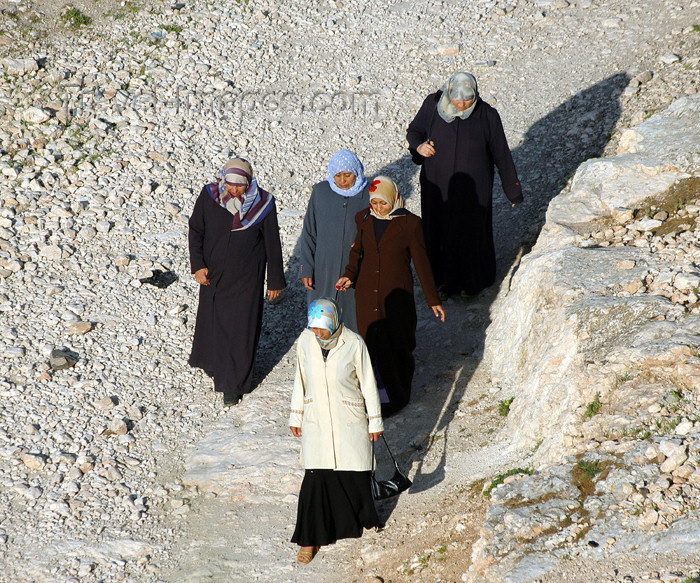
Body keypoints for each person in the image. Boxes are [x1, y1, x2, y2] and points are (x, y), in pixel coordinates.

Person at [406, 71, 523, 299]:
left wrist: (513, 191)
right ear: (449, 93)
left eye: (467, 99)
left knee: (471, 233)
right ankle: (439, 284)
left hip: (474, 191)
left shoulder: (487, 115)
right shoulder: (433, 105)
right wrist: (419, 147)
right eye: (457, 99)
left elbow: (501, 154)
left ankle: (472, 285)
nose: (461, 104)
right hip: (437, 187)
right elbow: (414, 131)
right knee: (437, 230)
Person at [336, 176, 446, 417]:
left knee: (397, 343)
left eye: (382, 203)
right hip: (366, 295)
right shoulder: (364, 219)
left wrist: (433, 299)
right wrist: (349, 275)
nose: (378, 208)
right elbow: (357, 253)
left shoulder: (410, 224)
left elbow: (421, 263)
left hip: (396, 296)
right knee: (370, 346)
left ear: (393, 199)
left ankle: (397, 397)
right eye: (374, 202)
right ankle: (375, 398)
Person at [289, 298, 384, 564]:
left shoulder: (354, 343)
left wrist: (375, 420)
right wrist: (296, 414)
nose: (317, 334)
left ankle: (353, 522)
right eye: (314, 328)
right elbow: (301, 378)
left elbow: (368, 383)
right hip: (316, 419)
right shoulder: (306, 341)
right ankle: (308, 539)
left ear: (333, 322)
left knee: (351, 471)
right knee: (315, 476)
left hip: (348, 418)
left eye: (322, 329)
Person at [188, 157, 285, 406]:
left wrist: (274, 280)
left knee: (240, 329)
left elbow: (272, 243)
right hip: (214, 276)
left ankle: (234, 385)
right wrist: (198, 266)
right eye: (230, 184)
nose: (233, 190)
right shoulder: (209, 196)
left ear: (249, 183)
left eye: (240, 186)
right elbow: (196, 230)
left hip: (247, 279)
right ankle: (215, 369)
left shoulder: (263, 204)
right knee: (215, 324)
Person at [298, 150, 369, 332]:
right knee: (323, 320)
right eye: (337, 176)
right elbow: (309, 232)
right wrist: (306, 268)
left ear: (357, 172)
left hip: (356, 269)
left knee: (354, 320)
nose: (342, 181)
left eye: (348, 175)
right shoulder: (321, 192)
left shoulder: (369, 196)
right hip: (323, 269)